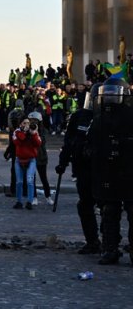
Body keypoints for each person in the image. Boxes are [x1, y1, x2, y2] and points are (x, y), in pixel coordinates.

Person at [85, 77, 133, 265]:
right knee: (109, 213)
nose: (111, 97)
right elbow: (90, 141)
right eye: (108, 94)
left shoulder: (130, 115)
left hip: (129, 172)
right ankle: (110, 249)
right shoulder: (99, 118)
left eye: (114, 93)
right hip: (108, 172)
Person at [56, 83, 102, 255]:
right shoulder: (80, 116)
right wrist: (63, 162)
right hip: (83, 169)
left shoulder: (118, 116)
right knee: (85, 205)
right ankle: (93, 242)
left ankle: (110, 244)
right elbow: (69, 142)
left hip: (107, 170)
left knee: (109, 208)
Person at [12, 117, 41, 209]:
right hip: (19, 160)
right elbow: (18, 142)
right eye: (24, 123)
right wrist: (24, 132)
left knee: (30, 181)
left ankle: (29, 202)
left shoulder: (33, 132)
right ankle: (19, 201)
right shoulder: (17, 132)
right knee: (19, 182)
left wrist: (34, 134)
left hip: (31, 159)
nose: (27, 125)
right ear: (20, 124)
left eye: (28, 123)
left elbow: (38, 143)